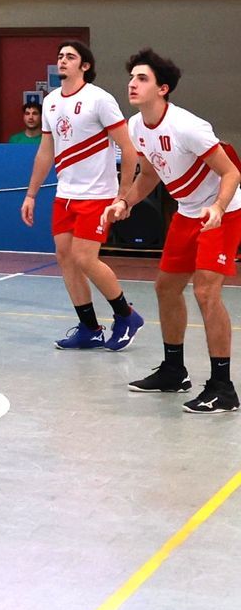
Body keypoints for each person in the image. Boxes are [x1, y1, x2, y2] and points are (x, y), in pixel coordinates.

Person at [111, 50, 240, 413]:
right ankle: (173, 371)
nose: (132, 84)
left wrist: (217, 207)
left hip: (223, 211)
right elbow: (149, 175)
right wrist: (125, 201)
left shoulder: (187, 126)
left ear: (162, 88)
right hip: (188, 212)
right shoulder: (136, 126)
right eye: (132, 77)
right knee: (166, 287)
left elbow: (231, 172)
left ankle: (223, 387)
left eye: (142, 78)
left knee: (206, 292)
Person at [23, 40, 143, 352]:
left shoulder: (99, 99)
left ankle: (127, 316)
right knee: (65, 258)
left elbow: (128, 149)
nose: (63, 61)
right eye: (60, 56)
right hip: (65, 195)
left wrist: (123, 196)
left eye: (70, 57)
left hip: (98, 195)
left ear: (85, 65)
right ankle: (89, 328)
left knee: (85, 258)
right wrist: (31, 194)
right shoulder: (51, 101)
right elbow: (45, 152)